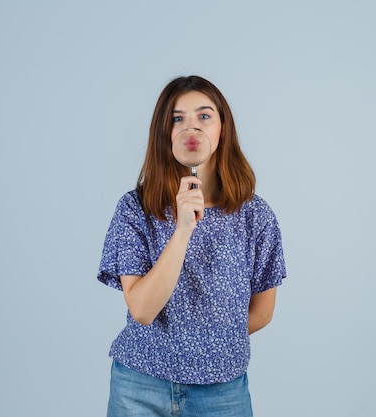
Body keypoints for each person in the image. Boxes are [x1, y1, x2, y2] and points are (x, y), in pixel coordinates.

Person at [97, 75, 287, 417]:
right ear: (164, 133)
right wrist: (183, 230)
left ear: (222, 129)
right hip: (140, 386)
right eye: (177, 118)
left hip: (222, 393)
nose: (191, 128)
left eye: (204, 116)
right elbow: (141, 310)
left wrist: (204, 344)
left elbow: (262, 311)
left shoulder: (255, 216)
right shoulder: (135, 210)